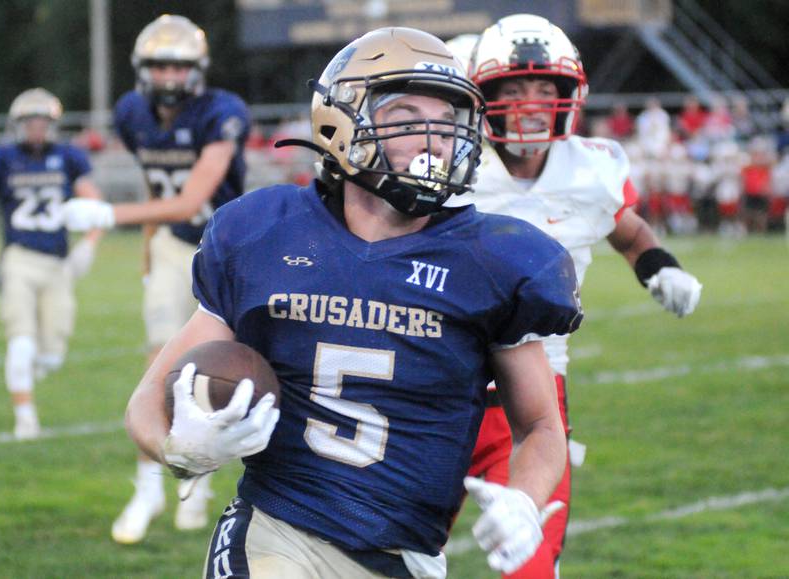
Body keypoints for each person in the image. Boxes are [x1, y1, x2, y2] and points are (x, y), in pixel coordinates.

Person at [124, 27, 583, 578]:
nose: (433, 137)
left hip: (406, 556)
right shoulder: (263, 233)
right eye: (406, 114)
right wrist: (179, 450)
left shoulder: (495, 260)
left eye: (447, 118)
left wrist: (526, 500)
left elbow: (539, 426)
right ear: (341, 121)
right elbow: (148, 397)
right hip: (277, 529)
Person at [450, 14, 703, 578]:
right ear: (481, 96)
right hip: (435, 383)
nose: (530, 102)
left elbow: (629, 231)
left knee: (532, 565)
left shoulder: (592, 169)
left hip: (532, 398)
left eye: (545, 88)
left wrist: (661, 269)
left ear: (571, 95)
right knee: (399, 558)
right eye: (512, 88)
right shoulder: (448, 163)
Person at [62, 14, 251, 544]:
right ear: (144, 69)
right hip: (171, 246)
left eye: (178, 64)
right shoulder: (131, 112)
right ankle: (148, 484)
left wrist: (106, 217)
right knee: (160, 367)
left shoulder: (223, 112)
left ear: (198, 69)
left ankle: (200, 481)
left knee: (217, 372)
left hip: (226, 251)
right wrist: (147, 251)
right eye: (160, 64)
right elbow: (154, 179)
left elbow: (193, 200)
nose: (169, 75)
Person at [0, 88, 103, 439]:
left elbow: (95, 204)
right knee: (21, 342)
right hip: (19, 259)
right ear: (18, 125)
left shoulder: (68, 157)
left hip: (58, 264)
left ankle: (29, 369)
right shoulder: (3, 159)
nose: (36, 129)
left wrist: (89, 244)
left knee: (52, 354)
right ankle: (26, 418)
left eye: (42, 122)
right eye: (30, 122)